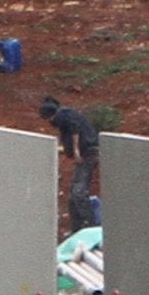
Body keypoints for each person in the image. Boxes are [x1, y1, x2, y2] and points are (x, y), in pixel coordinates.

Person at [41, 96, 101, 230]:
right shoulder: (66, 113)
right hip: (88, 152)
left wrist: (76, 151)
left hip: (87, 153)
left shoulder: (63, 116)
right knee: (74, 195)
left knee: (78, 192)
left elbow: (75, 129)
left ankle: (90, 225)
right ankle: (78, 227)